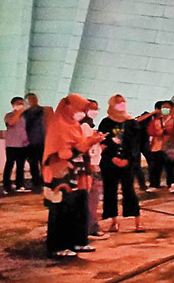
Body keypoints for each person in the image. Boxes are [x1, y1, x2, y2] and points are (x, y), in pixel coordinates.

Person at [43, 94, 104, 257]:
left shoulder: (75, 125)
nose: (82, 113)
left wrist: (90, 142)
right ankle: (58, 245)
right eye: (79, 109)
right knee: (63, 209)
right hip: (61, 175)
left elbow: (80, 146)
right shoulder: (58, 125)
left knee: (80, 207)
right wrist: (86, 144)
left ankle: (79, 241)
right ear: (67, 106)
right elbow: (63, 153)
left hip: (78, 174)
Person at [98, 94, 146, 233]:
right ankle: (113, 221)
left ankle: (137, 221)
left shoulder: (131, 122)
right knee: (110, 190)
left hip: (127, 162)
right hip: (110, 162)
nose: (121, 105)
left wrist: (128, 159)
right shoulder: (106, 122)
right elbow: (103, 141)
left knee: (129, 190)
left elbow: (136, 144)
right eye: (118, 103)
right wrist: (112, 157)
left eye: (123, 103)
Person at [80, 100, 108, 239]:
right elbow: (84, 146)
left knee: (93, 197)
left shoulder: (88, 125)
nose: (95, 111)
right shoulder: (84, 125)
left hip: (93, 163)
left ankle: (90, 226)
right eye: (92, 108)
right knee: (92, 197)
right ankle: (90, 227)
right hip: (90, 165)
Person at [147, 101, 174, 193]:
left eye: (167, 107)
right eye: (163, 107)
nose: (165, 109)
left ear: (171, 109)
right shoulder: (156, 120)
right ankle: (154, 184)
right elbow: (150, 130)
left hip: (170, 147)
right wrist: (158, 132)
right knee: (155, 167)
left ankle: (172, 184)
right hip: (157, 146)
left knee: (170, 166)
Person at [24, 93, 52, 192]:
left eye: (34, 98)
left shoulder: (44, 111)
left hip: (43, 141)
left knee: (45, 163)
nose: (33, 101)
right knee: (33, 164)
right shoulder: (25, 114)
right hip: (31, 143)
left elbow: (49, 123)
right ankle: (36, 183)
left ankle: (46, 182)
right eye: (30, 99)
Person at [3, 97, 30, 193]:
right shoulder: (9, 115)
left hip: (23, 144)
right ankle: (6, 186)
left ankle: (20, 184)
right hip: (11, 144)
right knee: (9, 164)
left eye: (22, 103)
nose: (21, 105)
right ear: (13, 105)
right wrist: (18, 112)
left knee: (20, 165)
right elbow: (11, 123)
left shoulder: (26, 116)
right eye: (18, 103)